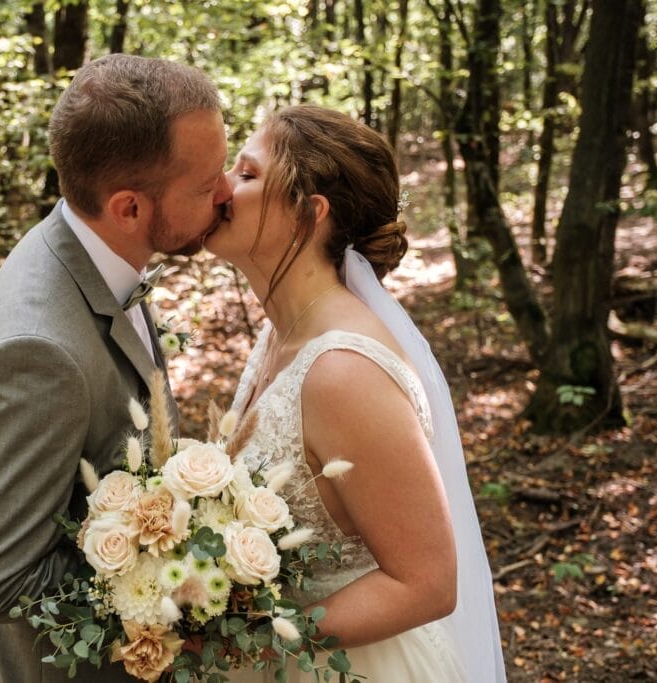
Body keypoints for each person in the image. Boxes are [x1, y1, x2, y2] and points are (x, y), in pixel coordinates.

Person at [0, 54, 232, 683]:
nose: (227, 191)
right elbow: (1, 582)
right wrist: (184, 576)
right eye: (206, 182)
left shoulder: (89, 249)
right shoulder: (33, 354)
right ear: (128, 208)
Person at [205, 105, 506, 681]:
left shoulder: (344, 370)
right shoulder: (280, 332)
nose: (221, 188)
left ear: (307, 213)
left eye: (246, 175)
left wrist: (253, 641)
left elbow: (427, 584)